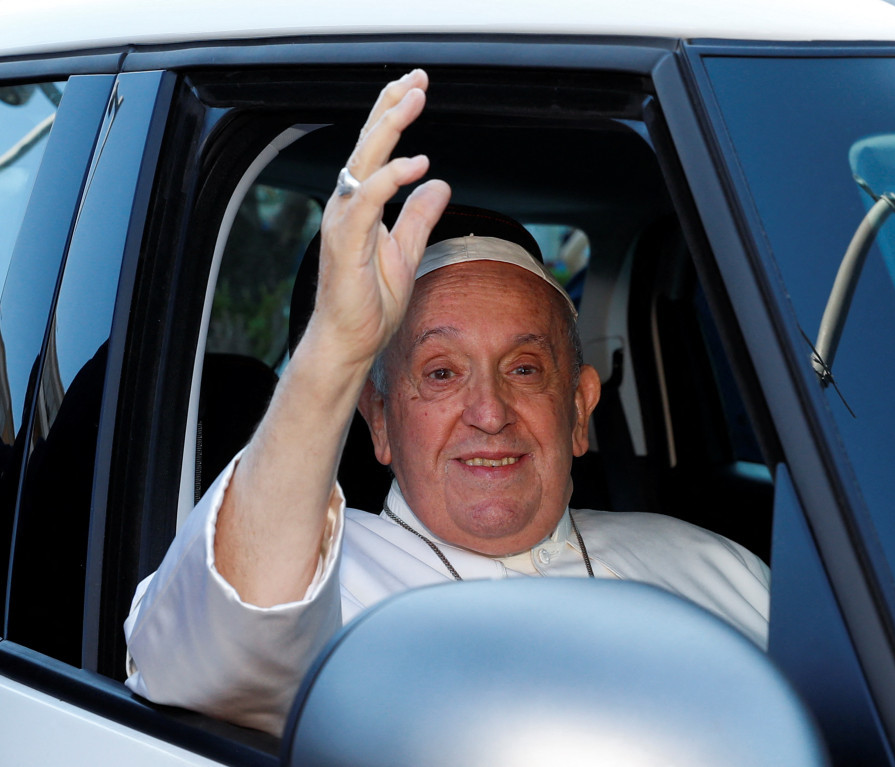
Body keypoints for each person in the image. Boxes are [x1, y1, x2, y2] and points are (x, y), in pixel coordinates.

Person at [122, 69, 769, 737]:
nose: (489, 411)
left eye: (523, 367)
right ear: (379, 420)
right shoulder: (319, 585)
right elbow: (205, 660)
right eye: (440, 372)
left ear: (579, 411)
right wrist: (337, 349)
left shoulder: (718, 571)